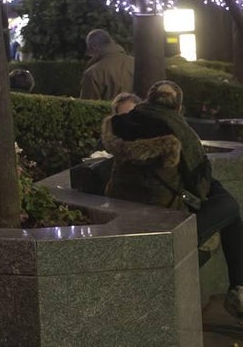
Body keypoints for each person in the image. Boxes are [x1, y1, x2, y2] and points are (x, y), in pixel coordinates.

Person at [102, 80, 243, 320]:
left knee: (228, 209)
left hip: (124, 206)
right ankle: (237, 290)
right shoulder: (180, 132)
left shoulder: (121, 123)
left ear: (148, 100)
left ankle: (239, 289)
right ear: (178, 108)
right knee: (231, 208)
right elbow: (199, 186)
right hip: (164, 215)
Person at [79, 29, 134, 101]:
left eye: (89, 51)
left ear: (93, 47)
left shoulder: (93, 73)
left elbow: (88, 107)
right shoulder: (136, 63)